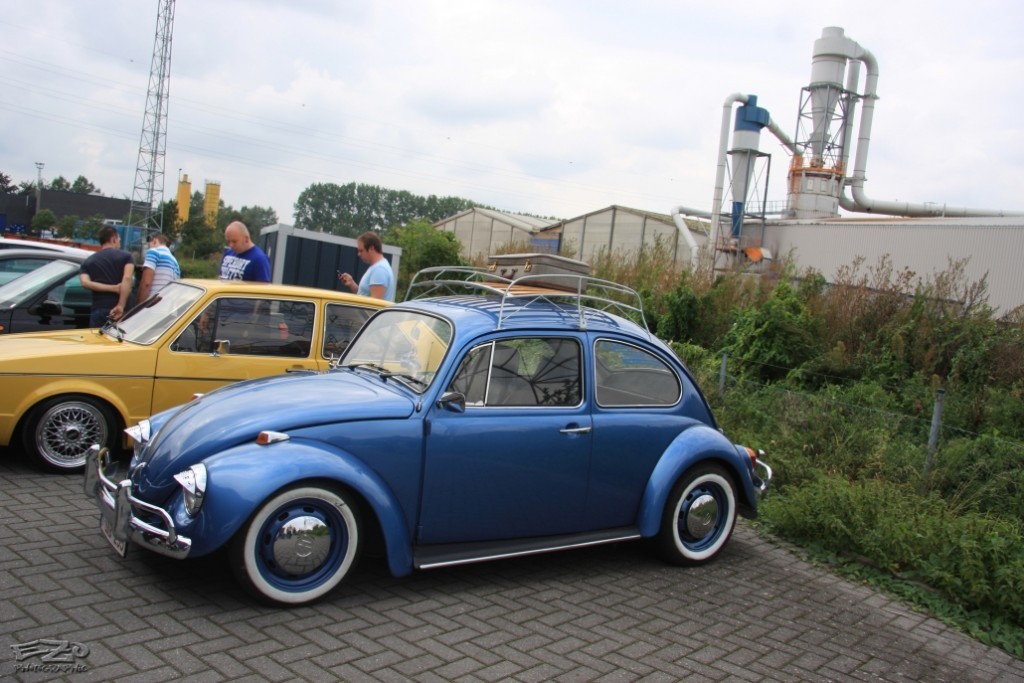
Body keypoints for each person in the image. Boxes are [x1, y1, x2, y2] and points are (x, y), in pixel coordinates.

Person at [79, 226, 135, 326]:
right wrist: (121, 305)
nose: (119, 242)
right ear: (113, 239)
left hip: (99, 308)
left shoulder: (88, 261)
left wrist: (112, 288)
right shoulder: (127, 257)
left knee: (97, 336)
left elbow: (85, 283)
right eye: (119, 240)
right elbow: (127, 278)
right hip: (122, 312)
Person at [337, 231, 396, 301]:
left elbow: (374, 304)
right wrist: (352, 283)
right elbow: (364, 296)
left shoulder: (379, 270)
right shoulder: (377, 267)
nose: (358, 254)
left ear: (371, 248)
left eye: (361, 251)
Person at [136, 232, 181, 302]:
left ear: (154, 241)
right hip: (167, 304)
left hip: (152, 304)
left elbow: (146, 283)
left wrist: (139, 305)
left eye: (149, 243)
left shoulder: (154, 252)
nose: (149, 246)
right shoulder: (175, 262)